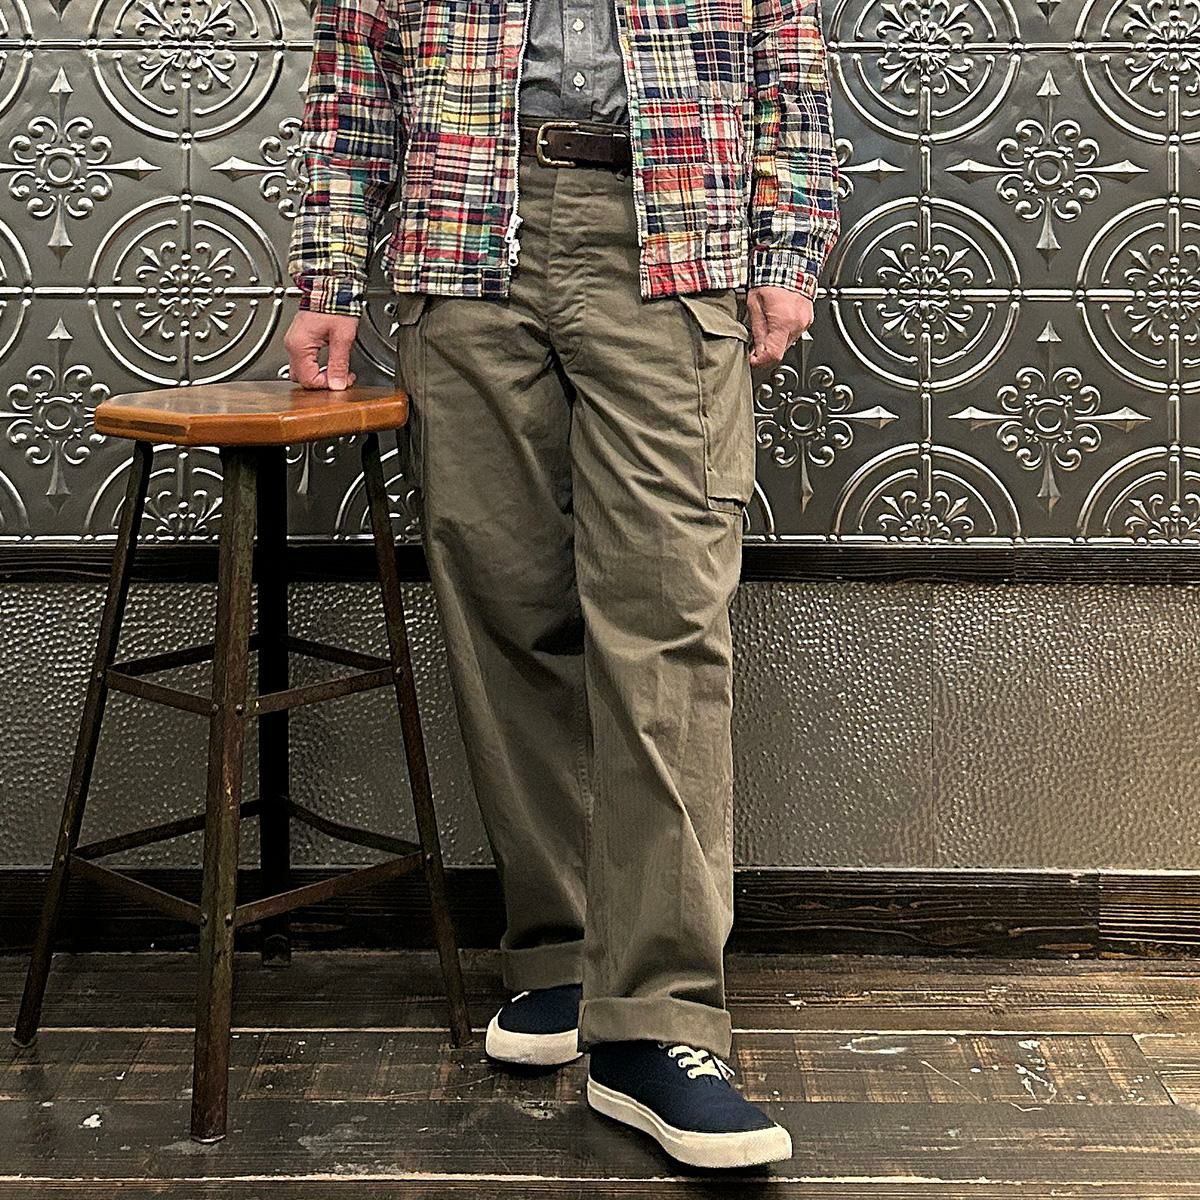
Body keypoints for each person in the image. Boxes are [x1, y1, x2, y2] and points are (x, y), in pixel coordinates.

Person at [284, 0, 840, 1170]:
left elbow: (787, 54)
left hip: (667, 227)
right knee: (506, 608)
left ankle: (659, 1019)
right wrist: (328, 272)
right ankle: (564, 953)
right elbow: (354, 71)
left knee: (666, 621)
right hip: (463, 233)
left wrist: (788, 246)